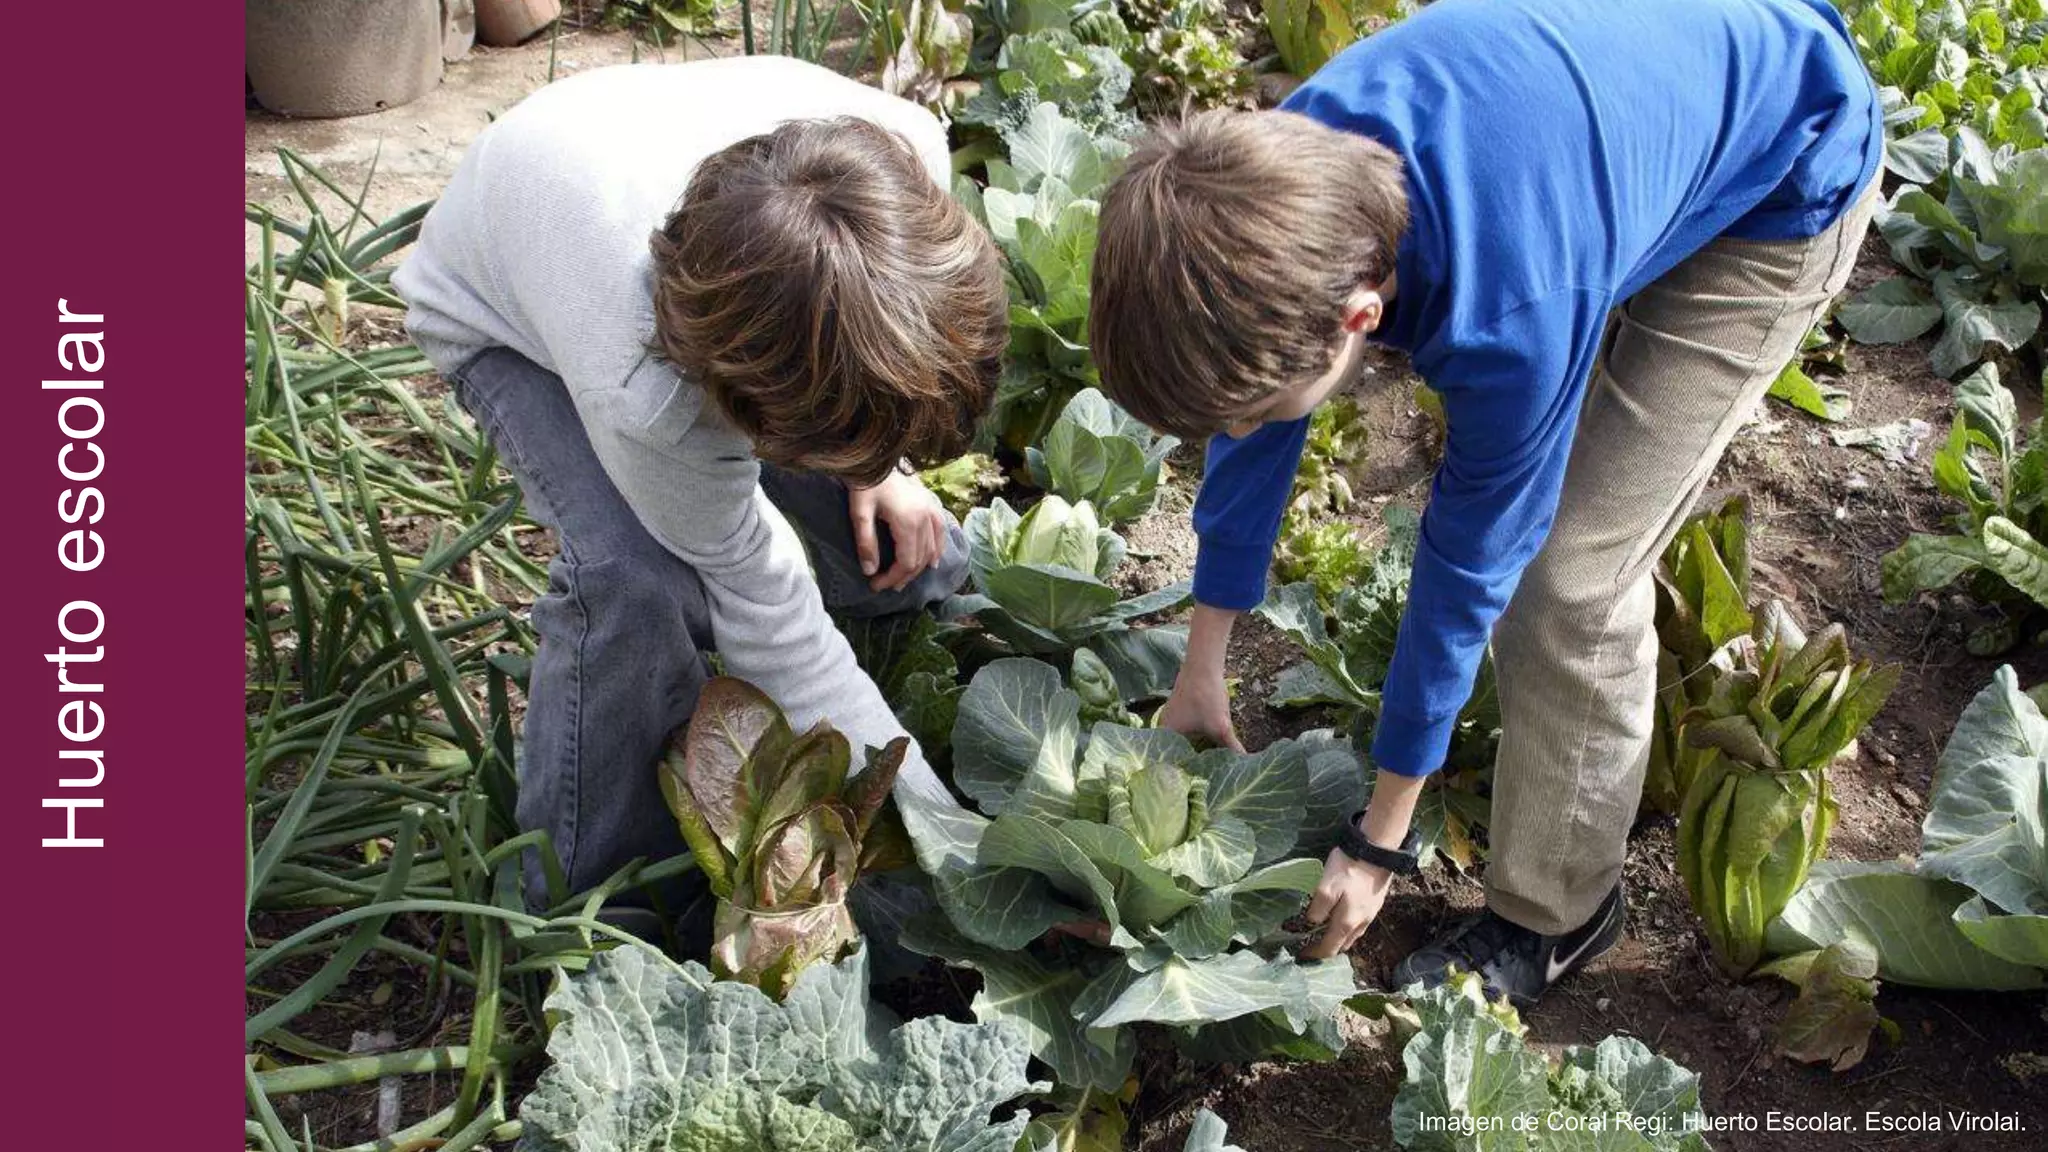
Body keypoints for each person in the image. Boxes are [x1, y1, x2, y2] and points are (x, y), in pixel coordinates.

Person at [1088, 0, 1882, 1005]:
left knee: (1566, 577)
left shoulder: (1505, 305)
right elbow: (1251, 424)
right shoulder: (1277, 180)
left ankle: (1558, 914)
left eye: (1250, 410)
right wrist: (1200, 665)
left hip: (1783, 170)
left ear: (1359, 318)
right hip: (1620, 126)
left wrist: (1378, 838)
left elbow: (1468, 565)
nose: (1238, 431)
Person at [391, 56, 1006, 931]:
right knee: (640, 578)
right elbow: (769, 618)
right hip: (500, 307)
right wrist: (950, 841)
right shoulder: (648, 398)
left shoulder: (906, 162)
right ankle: (587, 902)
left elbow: (873, 322)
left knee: (893, 532)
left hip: (649, 195)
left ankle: (907, 618)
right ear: (740, 404)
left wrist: (882, 469)